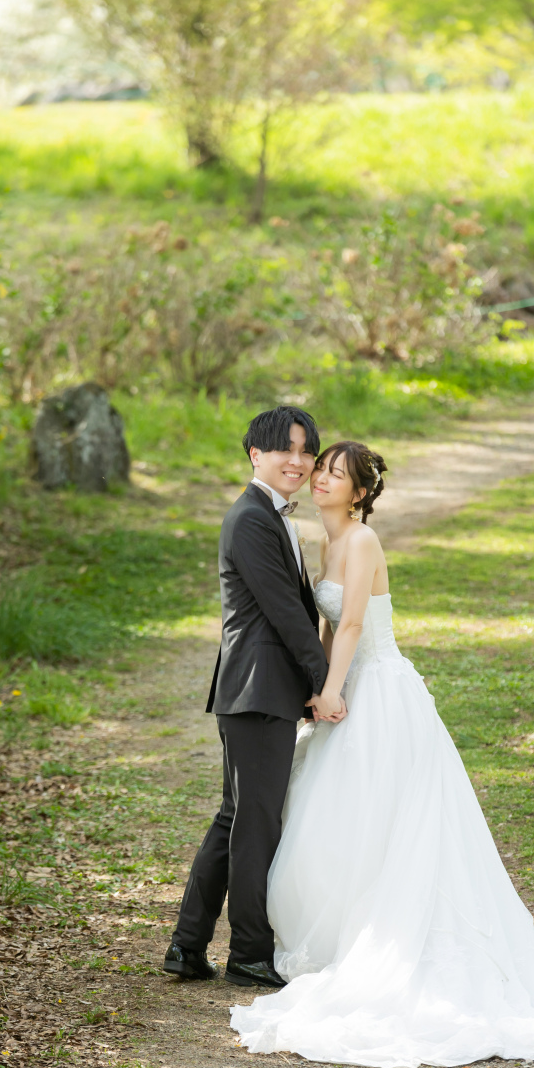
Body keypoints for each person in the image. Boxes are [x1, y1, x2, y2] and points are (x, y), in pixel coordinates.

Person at [230, 441, 534, 1067]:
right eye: (323, 469)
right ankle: (345, 933)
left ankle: (393, 939)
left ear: (360, 492)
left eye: (336, 473)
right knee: (339, 813)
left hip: (379, 692)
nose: (322, 478)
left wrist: (331, 690)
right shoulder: (328, 543)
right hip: (345, 691)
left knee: (387, 815)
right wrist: (321, 687)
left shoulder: (360, 541)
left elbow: (355, 625)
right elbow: (328, 629)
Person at [163, 406, 341, 989]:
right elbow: (287, 614)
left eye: (306, 450)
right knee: (256, 823)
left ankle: (187, 947)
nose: (298, 460)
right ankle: (248, 952)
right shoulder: (250, 520)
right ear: (254, 455)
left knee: (235, 817)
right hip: (258, 689)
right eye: (284, 449)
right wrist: (324, 682)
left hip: (254, 689)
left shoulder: (271, 516)